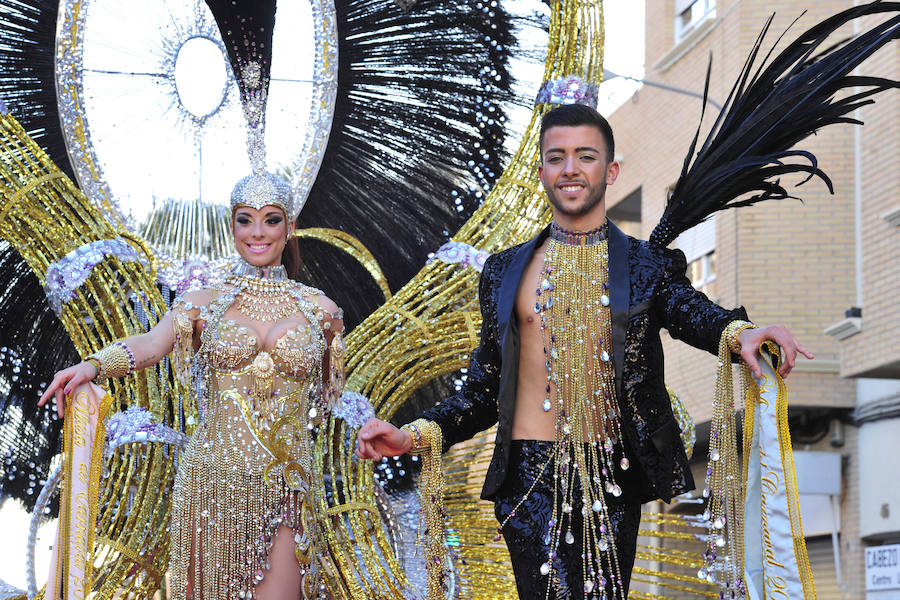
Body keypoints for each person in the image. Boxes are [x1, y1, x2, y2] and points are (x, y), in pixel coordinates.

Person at [355, 104, 813, 599]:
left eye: (585, 156)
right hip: (528, 477)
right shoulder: (504, 272)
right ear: (542, 172)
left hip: (612, 473)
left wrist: (739, 331)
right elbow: (483, 389)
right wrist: (414, 435)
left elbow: (690, 311)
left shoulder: (646, 264)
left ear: (610, 170)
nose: (570, 168)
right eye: (557, 157)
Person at [39, 173, 344, 600]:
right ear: (232, 226)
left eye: (271, 220)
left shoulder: (321, 310)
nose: (257, 232)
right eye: (245, 220)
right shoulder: (203, 303)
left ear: (289, 227)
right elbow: (150, 344)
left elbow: (330, 398)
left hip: (287, 488)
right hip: (211, 485)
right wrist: (93, 366)